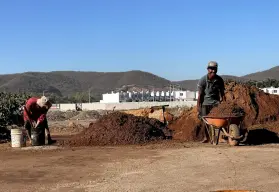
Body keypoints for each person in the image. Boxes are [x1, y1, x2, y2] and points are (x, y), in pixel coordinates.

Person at [197, 61, 226, 143]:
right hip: (205, 104)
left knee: (219, 121)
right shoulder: (202, 80)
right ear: (207, 69)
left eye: (215, 69)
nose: (213, 71)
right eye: (211, 69)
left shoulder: (219, 80)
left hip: (216, 104)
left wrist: (224, 104)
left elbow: (222, 93)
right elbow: (200, 95)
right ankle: (206, 138)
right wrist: (198, 106)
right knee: (205, 122)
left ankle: (220, 137)